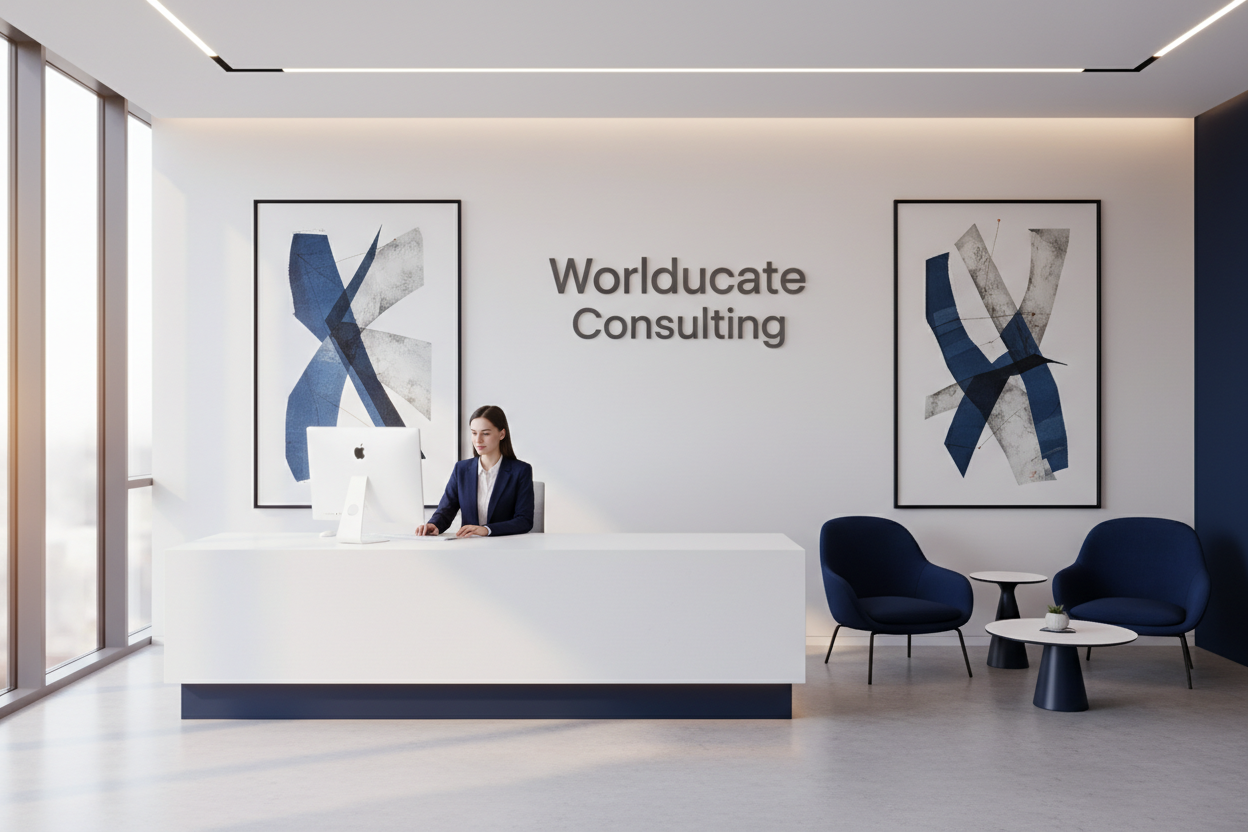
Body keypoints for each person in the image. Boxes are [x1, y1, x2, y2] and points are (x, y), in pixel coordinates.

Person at [417, 405, 535, 537]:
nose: (478, 440)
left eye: (485, 433)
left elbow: (524, 520)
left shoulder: (521, 471)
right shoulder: (461, 469)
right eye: (474, 433)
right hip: (469, 547)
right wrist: (434, 524)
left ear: (502, 434)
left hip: (505, 547)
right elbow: (446, 511)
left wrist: (487, 529)